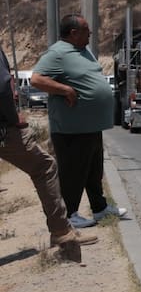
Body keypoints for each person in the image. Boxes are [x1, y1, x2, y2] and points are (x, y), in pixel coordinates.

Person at [0, 46, 97, 261]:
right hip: (4, 131)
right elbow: (3, 87)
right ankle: (62, 232)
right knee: (44, 167)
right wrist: (13, 119)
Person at [31, 14, 126, 228]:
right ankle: (69, 215)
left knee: (94, 170)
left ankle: (100, 208)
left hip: (90, 125)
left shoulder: (84, 51)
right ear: (73, 33)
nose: (90, 34)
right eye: (86, 30)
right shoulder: (57, 53)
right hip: (71, 128)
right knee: (73, 172)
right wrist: (64, 89)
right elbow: (37, 79)